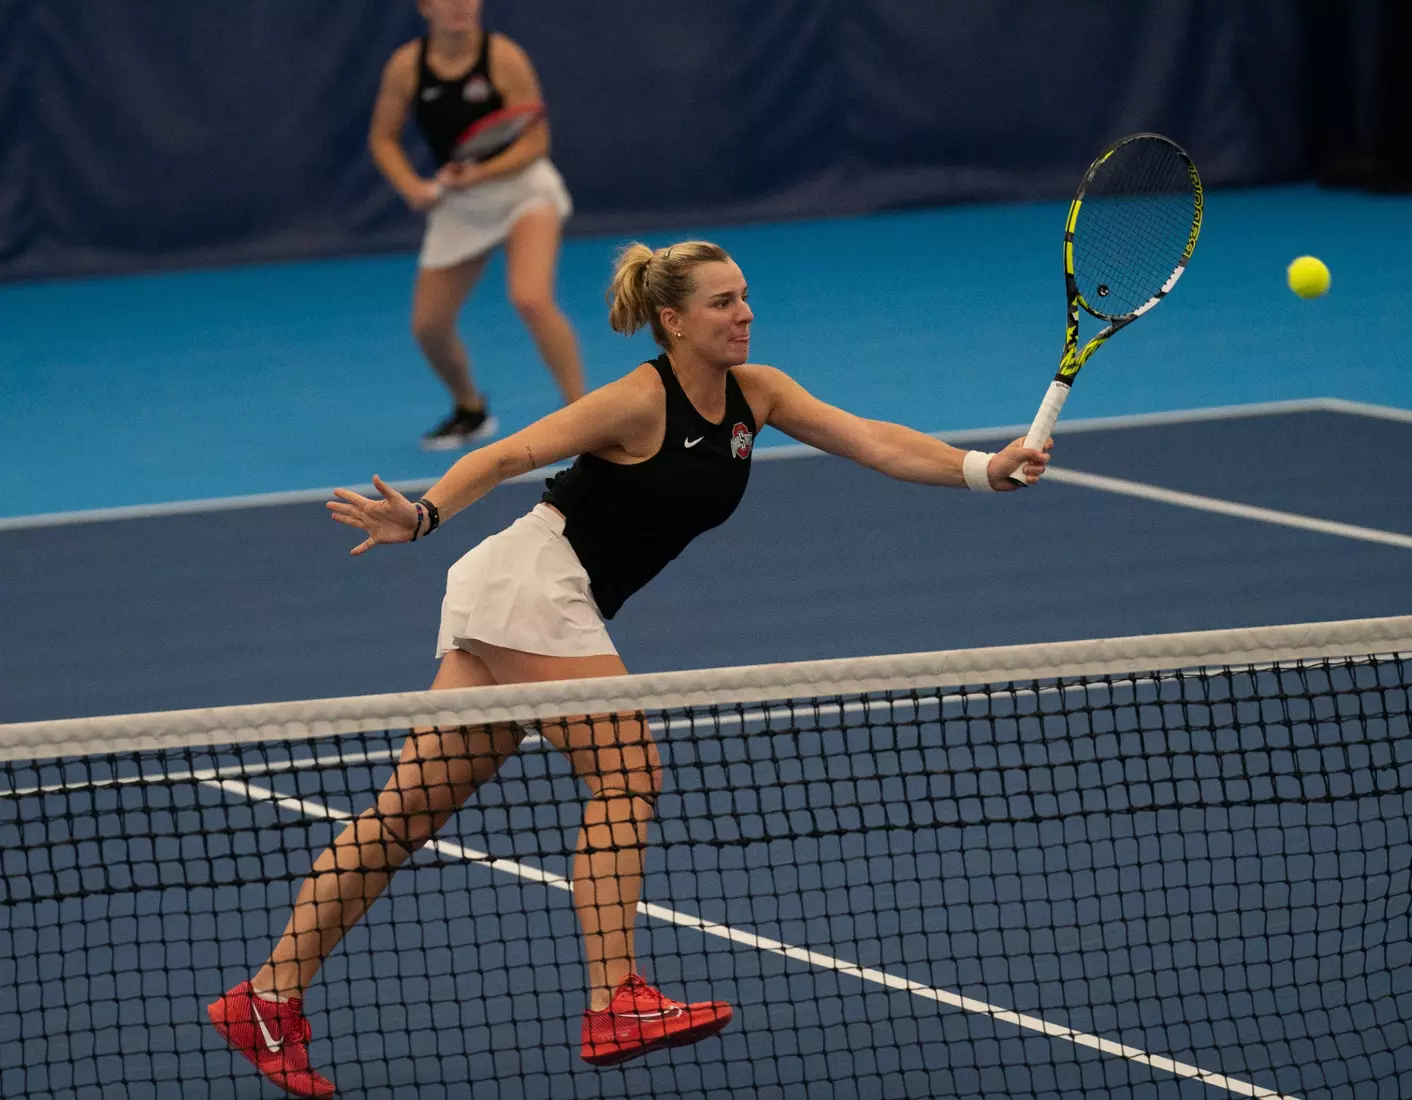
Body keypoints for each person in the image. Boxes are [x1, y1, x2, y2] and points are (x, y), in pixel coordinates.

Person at [206, 239, 1052, 1096]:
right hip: (537, 585)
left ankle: (267, 998)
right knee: (627, 768)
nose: (745, 313)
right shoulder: (636, 401)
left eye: (746, 297)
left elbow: (871, 439)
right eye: (723, 302)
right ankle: (617, 997)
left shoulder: (759, 395)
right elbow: (505, 456)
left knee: (404, 816)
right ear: (673, 319)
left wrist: (982, 468)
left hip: (519, 597)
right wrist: (423, 515)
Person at [368, 0, 585, 451]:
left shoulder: (504, 57)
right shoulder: (406, 66)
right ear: (425, 7)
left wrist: (479, 173)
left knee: (530, 298)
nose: (459, 5)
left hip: (525, 192)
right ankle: (470, 409)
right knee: (429, 327)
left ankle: (582, 418)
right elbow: (383, 138)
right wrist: (411, 186)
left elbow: (536, 140)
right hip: (461, 207)